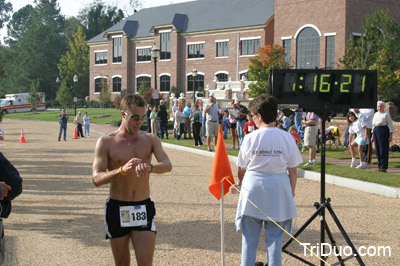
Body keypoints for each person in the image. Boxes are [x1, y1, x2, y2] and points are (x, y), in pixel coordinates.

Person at [92, 94, 172, 266]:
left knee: (145, 263)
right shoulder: (106, 142)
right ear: (123, 114)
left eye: (142, 118)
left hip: (142, 206)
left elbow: (167, 165)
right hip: (117, 207)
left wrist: (150, 168)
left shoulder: (150, 139)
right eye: (135, 117)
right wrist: (121, 170)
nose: (139, 123)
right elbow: (97, 178)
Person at [235, 94, 302, 266]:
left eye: (253, 116)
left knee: (249, 240)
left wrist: (240, 183)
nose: (252, 119)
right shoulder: (286, 137)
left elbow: (242, 167)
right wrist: (291, 191)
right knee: (274, 241)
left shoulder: (251, 137)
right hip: (278, 188)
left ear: (260, 116)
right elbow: (293, 170)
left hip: (253, 187)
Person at [372, 101, 394, 172]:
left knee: (383, 149)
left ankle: (383, 166)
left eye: (381, 106)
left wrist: (390, 136)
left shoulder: (386, 114)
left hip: (383, 130)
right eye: (378, 106)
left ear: (383, 107)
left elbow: (390, 125)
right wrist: (372, 135)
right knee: (377, 149)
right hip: (376, 130)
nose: (379, 108)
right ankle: (379, 165)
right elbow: (373, 125)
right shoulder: (376, 114)